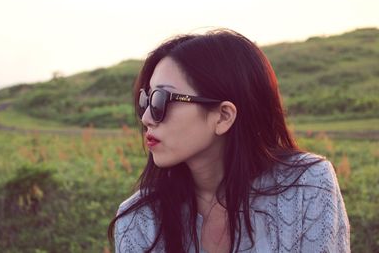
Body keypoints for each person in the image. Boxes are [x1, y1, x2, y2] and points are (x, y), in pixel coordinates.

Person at [108, 29, 350, 252]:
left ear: (223, 116)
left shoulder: (307, 187)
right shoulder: (138, 219)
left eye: (161, 100)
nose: (147, 117)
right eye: (146, 100)